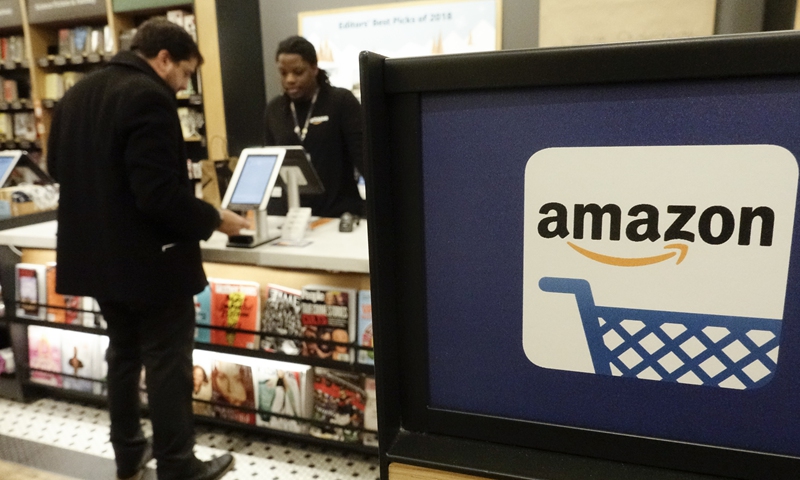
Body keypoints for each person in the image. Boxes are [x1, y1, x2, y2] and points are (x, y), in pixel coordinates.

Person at [47, 17, 249, 480]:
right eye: (185, 72)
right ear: (163, 59)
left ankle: (128, 454)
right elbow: (157, 195)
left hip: (96, 260)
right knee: (166, 362)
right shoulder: (147, 97)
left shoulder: (78, 93)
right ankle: (177, 464)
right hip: (149, 263)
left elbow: (58, 165)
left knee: (122, 355)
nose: (183, 84)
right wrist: (216, 218)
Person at [264, 35, 365, 218]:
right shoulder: (274, 110)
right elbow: (271, 169)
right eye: (283, 73)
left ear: (314, 68)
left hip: (339, 215)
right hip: (292, 219)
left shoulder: (340, 102)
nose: (290, 80)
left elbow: (365, 160)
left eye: (298, 71)